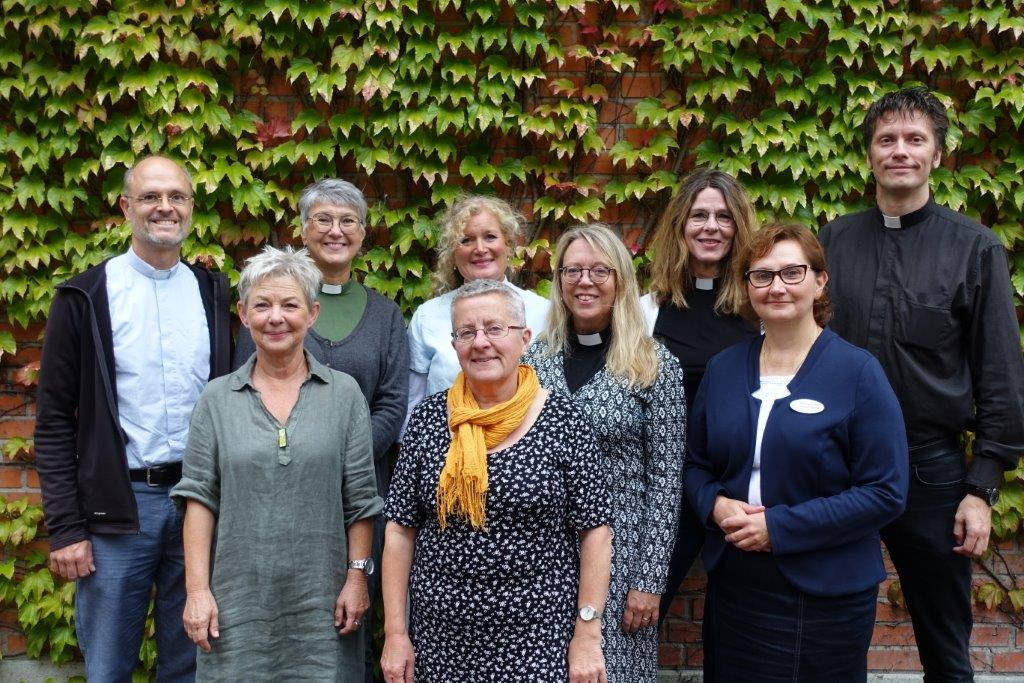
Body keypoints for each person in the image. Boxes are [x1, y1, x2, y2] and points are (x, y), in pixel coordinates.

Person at [818, 86, 1024, 681]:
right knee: (828, 629)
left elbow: (1001, 375)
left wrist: (981, 489)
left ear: (937, 154)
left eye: (915, 139)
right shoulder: (831, 242)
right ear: (869, 154)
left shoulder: (975, 249)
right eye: (887, 139)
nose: (899, 151)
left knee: (944, 645)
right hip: (835, 464)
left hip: (930, 471)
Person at [34, 155, 232, 681]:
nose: (165, 207)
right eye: (150, 197)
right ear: (126, 208)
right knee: (108, 667)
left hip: (200, 502)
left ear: (191, 208)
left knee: (191, 664)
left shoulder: (213, 293)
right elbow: (53, 421)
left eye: (176, 197)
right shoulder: (85, 296)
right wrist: (66, 528)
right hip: (119, 508)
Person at [685, 223, 909, 681]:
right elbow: (696, 465)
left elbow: (885, 492)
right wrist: (716, 505)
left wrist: (778, 527)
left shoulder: (858, 373)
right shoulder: (724, 369)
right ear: (748, 286)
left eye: (792, 272)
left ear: (820, 281)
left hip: (826, 592)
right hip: (737, 587)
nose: (777, 287)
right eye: (762, 275)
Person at [381, 279, 612, 682]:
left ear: (524, 339)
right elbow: (400, 530)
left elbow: (596, 531)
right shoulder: (427, 421)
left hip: (539, 639)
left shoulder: (564, 420)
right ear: (454, 345)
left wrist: (588, 633)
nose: (480, 342)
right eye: (466, 332)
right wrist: (396, 633)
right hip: (441, 640)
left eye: (494, 328)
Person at [173, 246, 382, 681]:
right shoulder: (216, 399)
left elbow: (361, 500)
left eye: (290, 305)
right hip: (234, 606)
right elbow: (199, 500)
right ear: (243, 315)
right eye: (262, 305)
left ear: (312, 314)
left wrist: (357, 579)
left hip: (324, 605)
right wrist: (197, 591)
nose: (276, 317)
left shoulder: (345, 395)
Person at [231, 179, 407, 679]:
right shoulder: (271, 309)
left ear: (363, 233)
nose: (335, 230)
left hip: (360, 495)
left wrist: (338, 457)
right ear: (303, 230)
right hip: (274, 492)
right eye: (323, 219)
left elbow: (392, 404)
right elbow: (247, 394)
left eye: (348, 221)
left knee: (353, 617)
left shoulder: (386, 315)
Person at [524, 224, 685, 682]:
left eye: (600, 270)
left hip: (622, 556)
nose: (585, 281)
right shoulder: (534, 361)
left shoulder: (654, 364)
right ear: (558, 280)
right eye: (572, 270)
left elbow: (667, 479)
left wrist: (649, 580)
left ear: (621, 280)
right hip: (543, 557)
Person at [639, 168, 760, 623]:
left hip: (738, 486)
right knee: (641, 606)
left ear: (739, 226)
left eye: (724, 217)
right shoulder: (647, 311)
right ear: (680, 226)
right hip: (665, 488)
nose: (711, 227)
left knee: (738, 620)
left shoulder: (758, 310)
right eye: (699, 216)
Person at [406, 195, 549, 418]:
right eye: (466, 240)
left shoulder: (544, 312)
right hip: (447, 435)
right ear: (453, 252)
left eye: (490, 236)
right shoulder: (427, 316)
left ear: (508, 244)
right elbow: (412, 403)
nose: (480, 248)